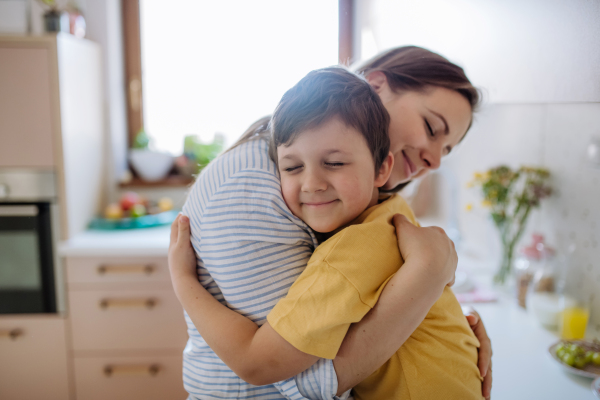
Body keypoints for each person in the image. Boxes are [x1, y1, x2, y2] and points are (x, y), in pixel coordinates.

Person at [169, 46, 492, 400]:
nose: (434, 160)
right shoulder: (252, 187)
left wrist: (451, 326)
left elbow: (359, 305)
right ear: (377, 86)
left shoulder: (372, 211)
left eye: (446, 149)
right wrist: (426, 278)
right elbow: (294, 373)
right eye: (431, 128)